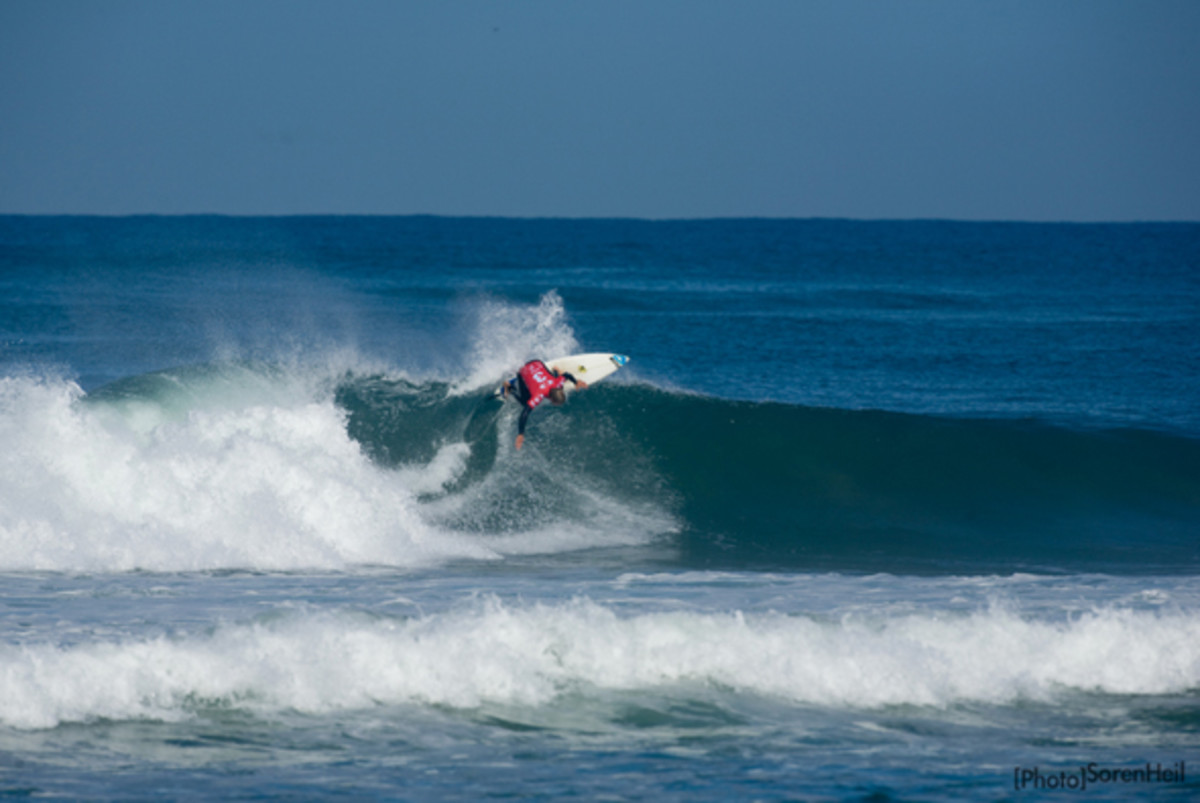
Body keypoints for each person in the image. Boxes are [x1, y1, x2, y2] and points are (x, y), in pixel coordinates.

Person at [501, 359, 588, 450]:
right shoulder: (538, 395)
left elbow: (567, 375)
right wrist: (520, 434)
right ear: (552, 399)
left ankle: (555, 371)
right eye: (556, 403)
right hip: (523, 370)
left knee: (559, 384)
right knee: (524, 402)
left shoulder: (557, 384)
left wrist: (576, 382)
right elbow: (525, 413)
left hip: (536, 362)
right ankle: (509, 387)